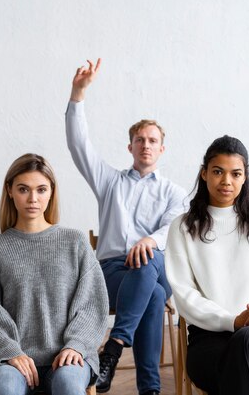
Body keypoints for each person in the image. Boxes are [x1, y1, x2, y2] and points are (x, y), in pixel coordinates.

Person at [65, 58, 187, 395]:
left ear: (162, 149)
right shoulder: (109, 182)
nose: (145, 145)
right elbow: (79, 146)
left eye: (152, 140)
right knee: (154, 295)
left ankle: (114, 347)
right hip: (114, 273)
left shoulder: (175, 193)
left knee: (150, 262)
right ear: (130, 146)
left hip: (157, 265)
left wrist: (149, 240)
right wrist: (78, 94)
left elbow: (173, 231)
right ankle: (149, 389)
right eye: (139, 139)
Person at [0, 153, 109, 395]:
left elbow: (92, 304)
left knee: (68, 383)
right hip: (13, 359)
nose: (33, 198)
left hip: (69, 354)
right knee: (5, 387)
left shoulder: (74, 242)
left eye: (41, 189)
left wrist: (76, 345)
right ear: (9, 190)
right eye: (24, 189)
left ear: (51, 191)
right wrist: (10, 351)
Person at [165, 135, 249, 395]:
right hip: (209, 341)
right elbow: (185, 296)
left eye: (236, 174)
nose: (226, 181)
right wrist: (233, 321)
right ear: (204, 174)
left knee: (248, 341)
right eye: (218, 172)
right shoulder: (183, 227)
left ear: (245, 177)